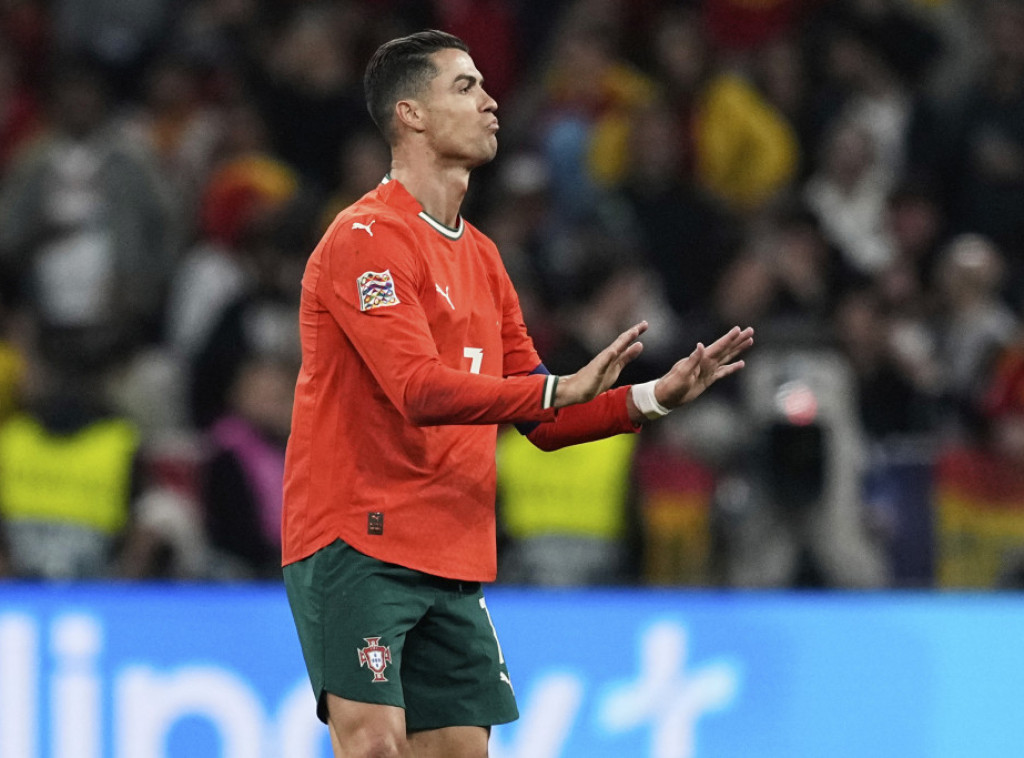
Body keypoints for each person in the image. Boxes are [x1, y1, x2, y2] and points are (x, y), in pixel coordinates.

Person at [280, 30, 754, 758]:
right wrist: (554, 389)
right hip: (359, 540)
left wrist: (651, 397)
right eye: (465, 87)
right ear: (410, 114)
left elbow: (542, 417)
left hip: (451, 552)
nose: (491, 100)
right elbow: (417, 389)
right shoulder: (365, 238)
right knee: (375, 747)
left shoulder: (484, 258)